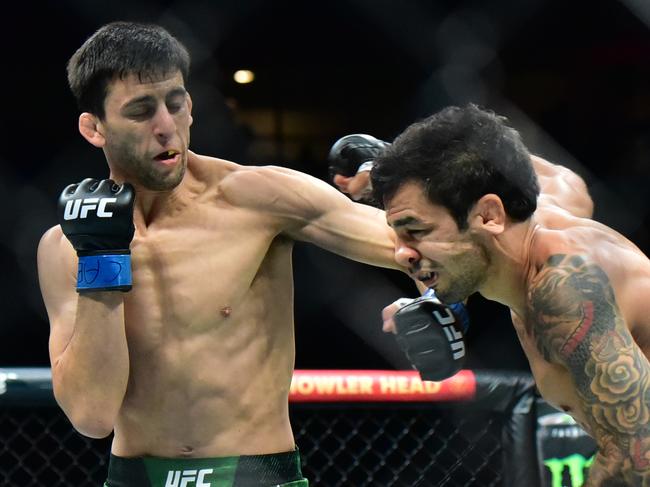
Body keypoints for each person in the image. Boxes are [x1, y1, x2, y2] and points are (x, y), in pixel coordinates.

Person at [36, 21, 469, 487]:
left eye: (175, 103)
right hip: (133, 478)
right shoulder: (64, 246)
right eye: (141, 111)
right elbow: (91, 416)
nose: (165, 126)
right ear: (94, 127)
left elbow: (423, 247)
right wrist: (103, 260)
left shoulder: (257, 196)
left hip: (255, 476)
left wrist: (441, 305)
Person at [370, 103, 649, 486]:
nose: (401, 252)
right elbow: (562, 179)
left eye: (415, 230)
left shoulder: (564, 287)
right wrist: (403, 160)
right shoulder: (538, 219)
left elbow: (639, 457)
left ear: (488, 216)